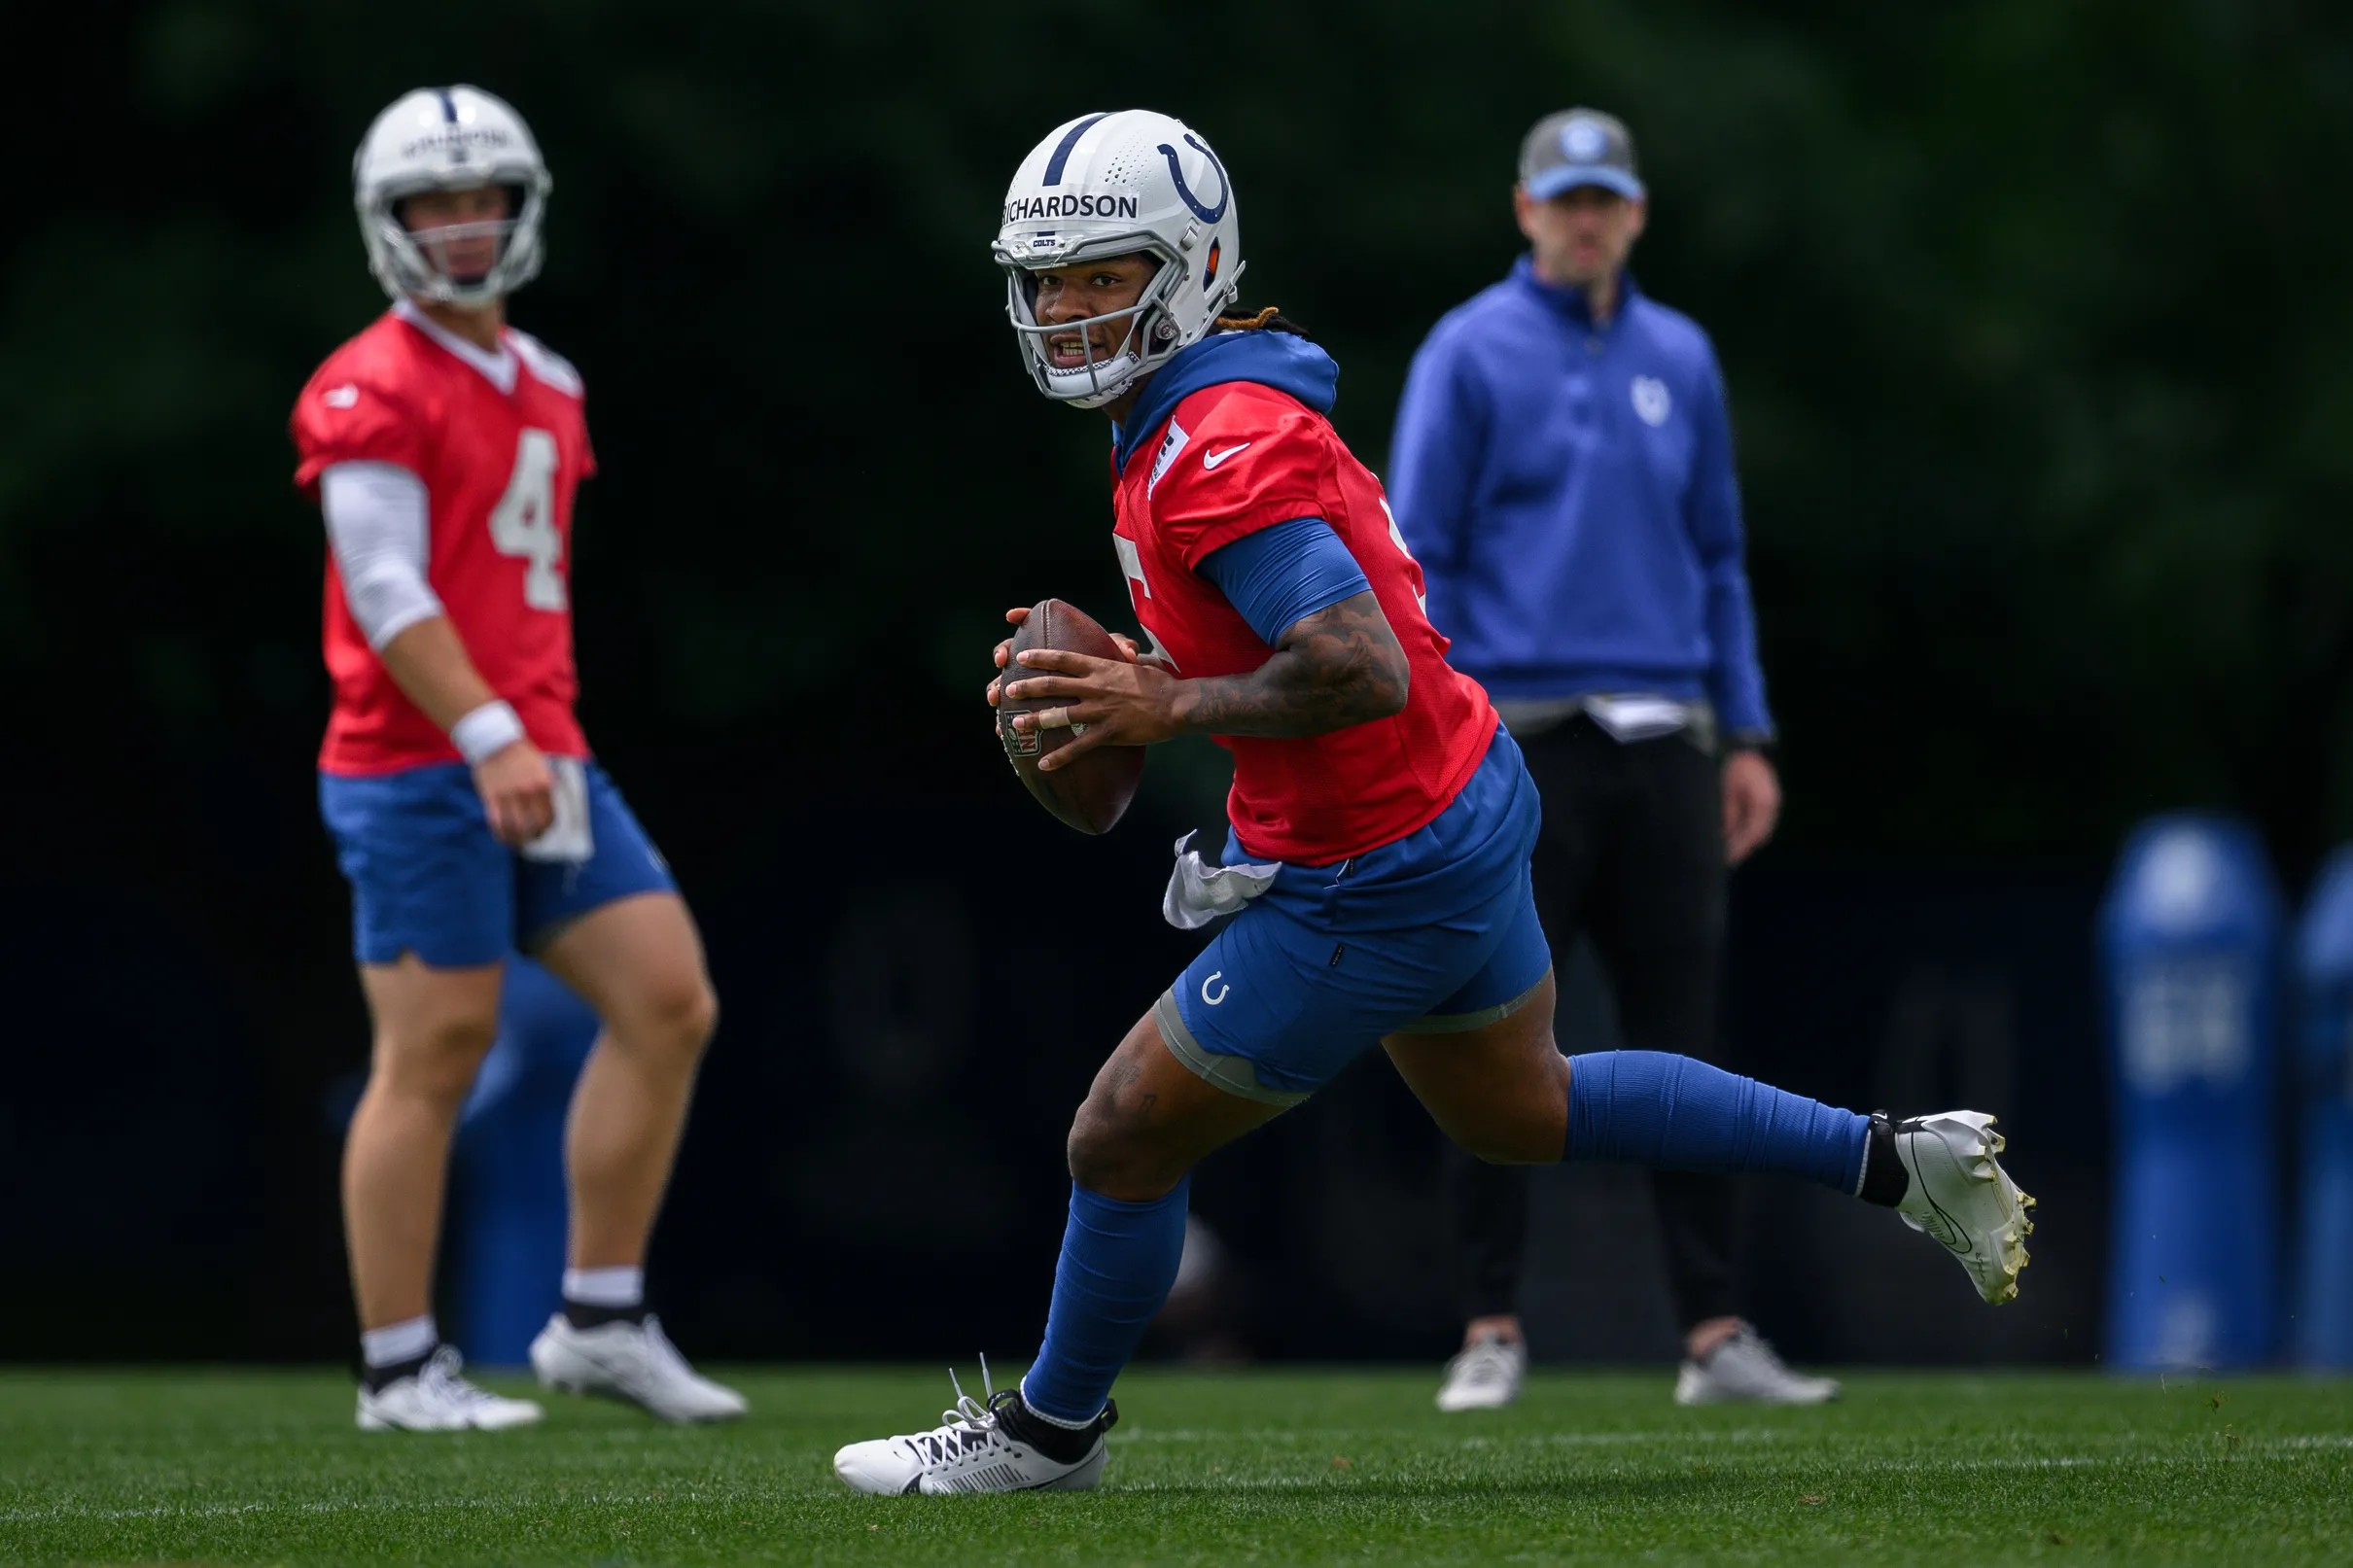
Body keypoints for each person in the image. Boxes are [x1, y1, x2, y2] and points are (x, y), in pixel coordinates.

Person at [831, 109, 2033, 1496]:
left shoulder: (1210, 443)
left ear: (1189, 265)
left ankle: (1049, 1436)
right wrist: (1167, 670)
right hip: (1462, 804)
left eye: (1102, 274)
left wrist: (1164, 706)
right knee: (1526, 1105)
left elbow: (1355, 661)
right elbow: (1319, 631)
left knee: (1120, 1131)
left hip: (1374, 866)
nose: (1065, 308)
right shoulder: (1191, 413)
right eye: (1048, 282)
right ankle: (1895, 1160)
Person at [290, 85, 745, 1431]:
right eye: (436, 201)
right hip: (421, 762)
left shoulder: (548, 378)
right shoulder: (368, 382)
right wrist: (485, 730)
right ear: (391, 222)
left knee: (668, 999)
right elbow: (382, 586)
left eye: (483, 195)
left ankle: (598, 1316)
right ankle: (398, 1366)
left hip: (542, 749)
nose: (465, 223)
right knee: (433, 1051)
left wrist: (525, 733)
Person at [1388, 107, 1825, 1411]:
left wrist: (1743, 731)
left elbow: (1719, 559)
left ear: (1634, 213)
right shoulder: (1468, 350)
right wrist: (1442, 733)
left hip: (1666, 740)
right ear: (1524, 209)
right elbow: (1420, 560)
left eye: (1607, 199)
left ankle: (1715, 1332)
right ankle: (1489, 1324)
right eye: (1564, 198)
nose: (1587, 218)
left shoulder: (1680, 356)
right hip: (1516, 738)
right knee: (1489, 1040)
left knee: (1682, 1038)